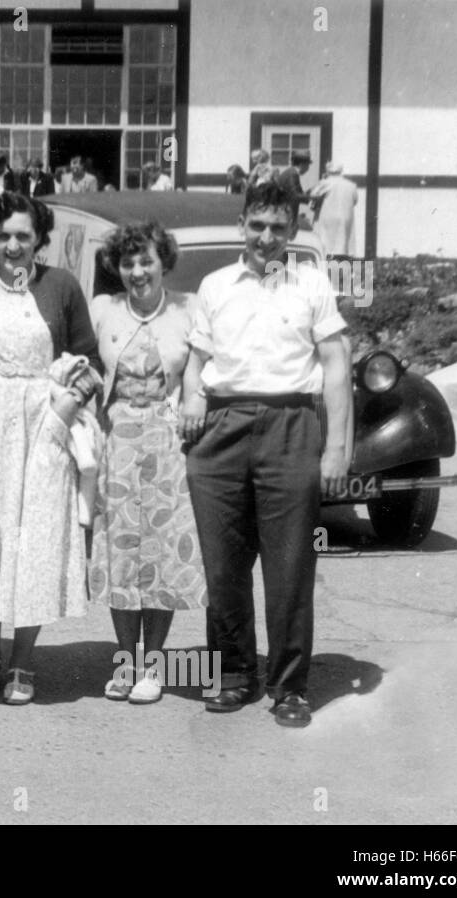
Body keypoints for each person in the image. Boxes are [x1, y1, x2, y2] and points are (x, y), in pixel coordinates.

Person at [181, 180, 352, 728]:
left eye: (279, 227)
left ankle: (289, 687)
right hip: (221, 428)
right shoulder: (214, 285)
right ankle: (232, 674)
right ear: (242, 226)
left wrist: (336, 449)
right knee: (223, 565)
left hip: (290, 425)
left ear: (294, 231)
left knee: (289, 564)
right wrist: (190, 396)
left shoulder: (312, 284)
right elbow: (195, 360)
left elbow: (336, 364)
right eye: (257, 225)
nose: (267, 237)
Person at [0, 193, 102, 704]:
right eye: (3, 236)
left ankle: (23, 659)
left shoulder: (62, 287)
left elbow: (91, 363)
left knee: (36, 537)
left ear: (38, 241)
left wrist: (64, 412)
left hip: (43, 424)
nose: (12, 245)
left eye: (23, 236)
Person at [88, 221, 208, 704]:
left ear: (163, 264)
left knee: (160, 552)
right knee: (121, 552)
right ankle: (125, 662)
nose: (137, 272)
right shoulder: (103, 309)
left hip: (167, 441)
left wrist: (194, 401)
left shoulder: (187, 309)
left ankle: (153, 665)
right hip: (116, 440)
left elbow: (199, 373)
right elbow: (83, 362)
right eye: (128, 263)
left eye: (147, 262)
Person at [310, 161, 359, 258]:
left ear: (327, 171)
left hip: (326, 217)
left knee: (325, 244)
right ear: (341, 171)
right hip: (345, 217)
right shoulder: (351, 185)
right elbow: (355, 200)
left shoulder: (323, 183)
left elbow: (313, 197)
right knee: (342, 244)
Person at [275, 151, 313, 226]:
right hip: (285, 212)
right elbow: (295, 195)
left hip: (283, 210)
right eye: (308, 165)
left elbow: (297, 194)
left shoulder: (290, 172)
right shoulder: (292, 174)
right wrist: (314, 197)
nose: (308, 168)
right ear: (302, 164)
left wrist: (311, 192)